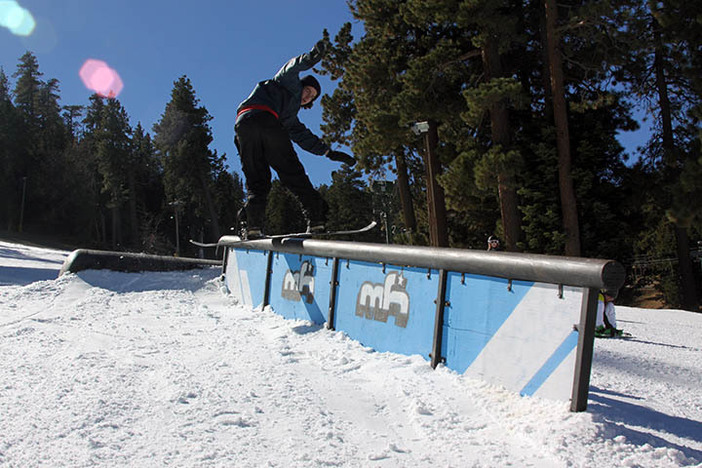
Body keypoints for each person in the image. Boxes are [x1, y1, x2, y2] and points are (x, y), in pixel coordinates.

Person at [234, 39, 355, 238]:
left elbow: (303, 136)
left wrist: (328, 152)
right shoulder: (287, 84)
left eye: (311, 97)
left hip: (244, 126)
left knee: (256, 177)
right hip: (263, 118)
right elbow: (291, 67)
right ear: (301, 86)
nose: (307, 97)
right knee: (291, 171)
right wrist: (310, 58)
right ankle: (316, 218)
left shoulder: (289, 117)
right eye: (307, 91)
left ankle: (253, 224)